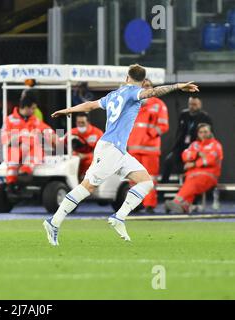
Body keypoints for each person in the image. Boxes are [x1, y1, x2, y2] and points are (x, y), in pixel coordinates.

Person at [44, 64, 199, 245]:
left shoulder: (113, 95)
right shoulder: (134, 92)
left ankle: (119, 217)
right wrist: (178, 86)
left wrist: (69, 109)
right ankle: (53, 222)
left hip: (118, 150)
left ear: (127, 78)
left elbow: (90, 105)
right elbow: (152, 93)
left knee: (146, 182)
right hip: (110, 148)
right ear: (142, 82)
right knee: (87, 187)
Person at [127, 78, 169, 213]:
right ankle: (134, 205)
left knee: (149, 178)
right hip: (133, 148)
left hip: (150, 149)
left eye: (148, 85)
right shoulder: (133, 103)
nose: (146, 88)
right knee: (133, 179)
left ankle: (150, 204)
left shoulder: (159, 104)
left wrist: (149, 134)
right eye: (143, 86)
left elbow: (163, 125)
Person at [1, 92, 56, 189]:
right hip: (16, 149)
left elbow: (46, 129)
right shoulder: (9, 120)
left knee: (37, 147)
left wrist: (54, 137)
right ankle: (10, 182)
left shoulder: (34, 120)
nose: (35, 111)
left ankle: (25, 172)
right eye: (33, 108)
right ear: (26, 107)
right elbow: (4, 137)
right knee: (14, 155)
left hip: (32, 151)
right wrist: (19, 138)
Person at [165, 123, 223, 214]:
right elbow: (185, 155)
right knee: (191, 181)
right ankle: (184, 206)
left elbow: (210, 160)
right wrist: (197, 154)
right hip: (192, 175)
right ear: (198, 134)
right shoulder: (194, 144)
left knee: (193, 182)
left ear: (210, 132)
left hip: (209, 176)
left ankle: (176, 201)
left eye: (205, 132)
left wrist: (194, 163)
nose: (203, 134)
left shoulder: (215, 145)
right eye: (201, 132)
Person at [161, 96, 212, 183]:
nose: (192, 106)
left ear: (200, 105)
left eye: (195, 104)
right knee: (168, 161)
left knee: (190, 166)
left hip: (195, 148)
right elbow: (179, 131)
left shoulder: (205, 117)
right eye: (190, 104)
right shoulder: (183, 115)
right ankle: (162, 187)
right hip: (181, 147)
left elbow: (209, 135)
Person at [61, 113, 103, 180]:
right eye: (78, 122)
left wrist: (85, 156)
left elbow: (101, 152)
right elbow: (61, 144)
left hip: (91, 157)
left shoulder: (97, 133)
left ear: (88, 122)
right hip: (76, 157)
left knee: (90, 161)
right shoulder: (71, 132)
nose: (80, 125)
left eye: (83, 123)